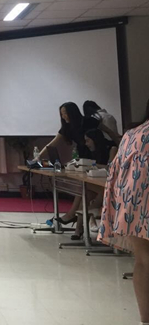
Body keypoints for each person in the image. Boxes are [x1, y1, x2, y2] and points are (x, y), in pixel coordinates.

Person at [98, 119, 149, 325]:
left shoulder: (132, 134)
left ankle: (145, 320)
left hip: (133, 204)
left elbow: (115, 174)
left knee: (143, 260)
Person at [69, 129, 118, 240]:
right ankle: (80, 225)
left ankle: (81, 216)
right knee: (86, 192)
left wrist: (92, 164)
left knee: (85, 188)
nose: (86, 144)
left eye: (88, 140)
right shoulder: (94, 151)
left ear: (95, 139)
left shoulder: (112, 148)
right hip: (101, 183)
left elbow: (110, 168)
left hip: (112, 185)